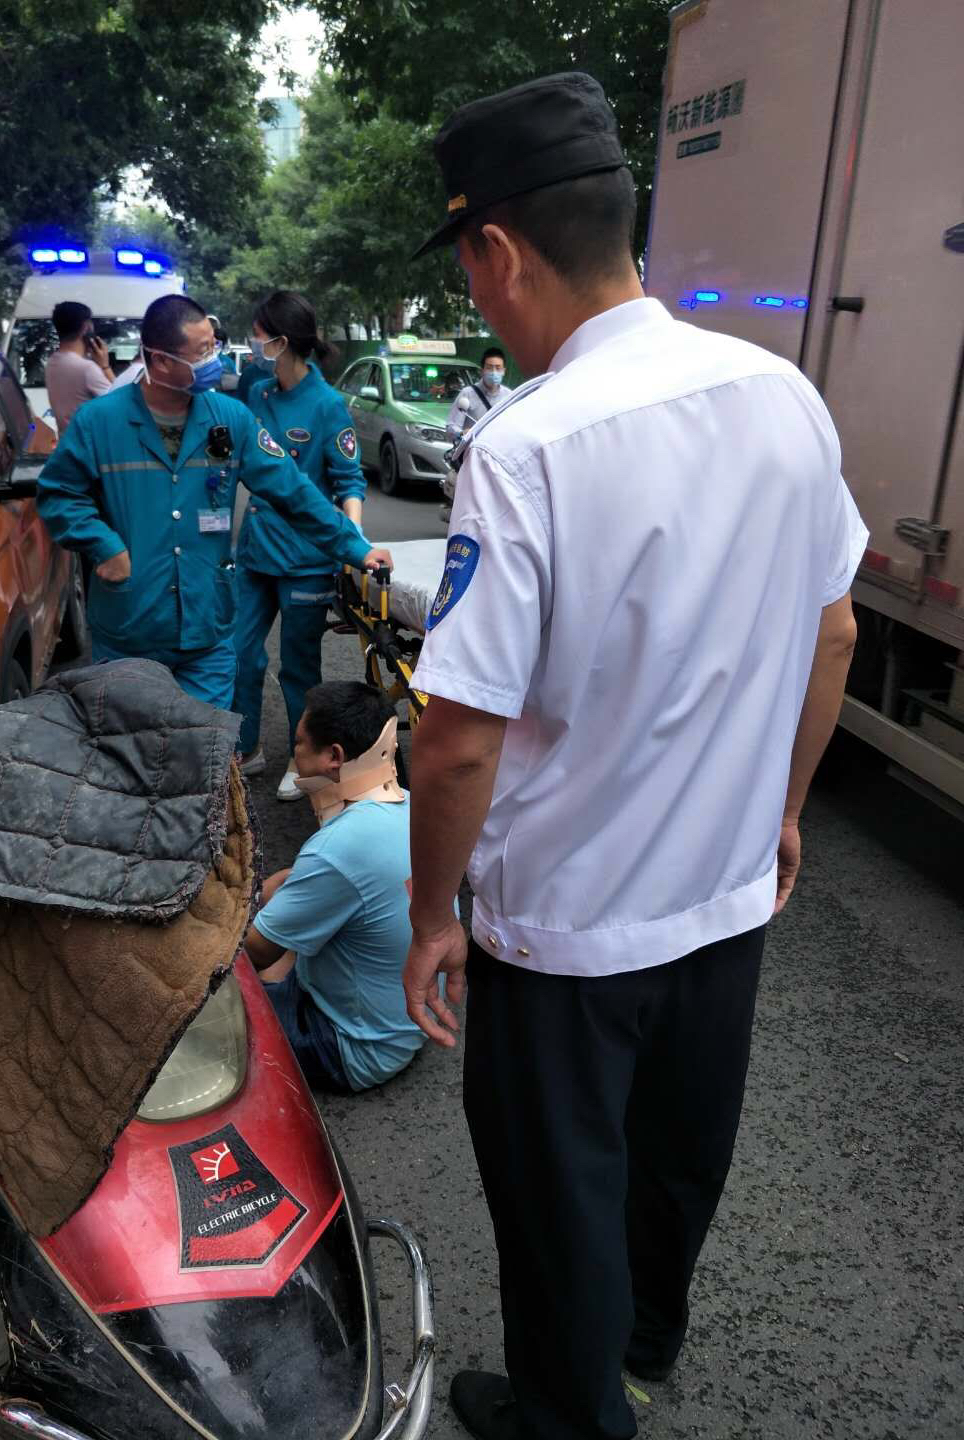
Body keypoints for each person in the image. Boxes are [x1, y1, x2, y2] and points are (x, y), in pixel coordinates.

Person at [402, 73, 867, 1440]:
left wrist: (433, 917)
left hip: (567, 936)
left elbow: (454, 743)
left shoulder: (529, 444)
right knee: (673, 1167)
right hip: (723, 907)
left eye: (473, 270)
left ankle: (570, 1410)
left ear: (498, 249)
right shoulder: (784, 397)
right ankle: (636, 1356)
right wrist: (781, 813)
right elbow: (832, 634)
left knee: (561, 1200)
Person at [37, 294, 390, 710]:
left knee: (205, 755)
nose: (217, 362)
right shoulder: (99, 423)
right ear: (160, 359)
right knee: (131, 749)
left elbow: (293, 492)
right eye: (203, 352)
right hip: (129, 626)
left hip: (207, 628)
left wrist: (355, 547)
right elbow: (58, 493)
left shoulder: (230, 419)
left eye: (214, 346)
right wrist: (102, 544)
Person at [242, 681, 429, 1091]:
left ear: (334, 757)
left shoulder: (336, 849)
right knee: (281, 890)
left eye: (299, 745)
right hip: (409, 1018)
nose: (296, 758)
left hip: (352, 1048)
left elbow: (252, 953)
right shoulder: (412, 806)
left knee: (203, 1009)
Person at [233, 291, 367, 800]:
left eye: (259, 333)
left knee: (299, 667)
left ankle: (302, 757)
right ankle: (246, 748)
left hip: (307, 558)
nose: (254, 342)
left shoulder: (329, 405)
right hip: (255, 551)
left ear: (281, 341)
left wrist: (351, 543)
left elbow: (349, 481)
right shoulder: (258, 394)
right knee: (240, 654)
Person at [44, 301, 114, 434]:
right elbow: (124, 406)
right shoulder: (86, 369)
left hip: (68, 444)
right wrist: (105, 367)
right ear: (86, 327)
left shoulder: (52, 363)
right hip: (91, 450)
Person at [445, 347, 512, 442]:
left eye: (498, 368)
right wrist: (461, 433)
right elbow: (451, 426)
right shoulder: (467, 394)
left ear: (504, 371)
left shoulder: (509, 396)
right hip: (473, 450)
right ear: (482, 371)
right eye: (489, 368)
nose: (494, 372)